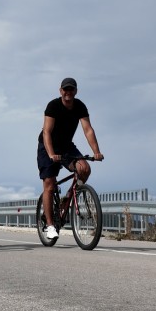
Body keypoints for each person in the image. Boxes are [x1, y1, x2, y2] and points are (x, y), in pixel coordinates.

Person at [37, 78, 104, 240]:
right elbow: (46, 132)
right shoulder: (53, 106)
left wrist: (96, 152)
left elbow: (88, 129)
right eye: (65, 89)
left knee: (84, 168)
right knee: (49, 184)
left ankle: (68, 197)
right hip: (47, 146)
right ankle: (50, 225)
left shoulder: (80, 106)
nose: (68, 92)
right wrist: (51, 154)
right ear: (61, 91)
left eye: (71, 89)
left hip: (66, 147)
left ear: (75, 91)